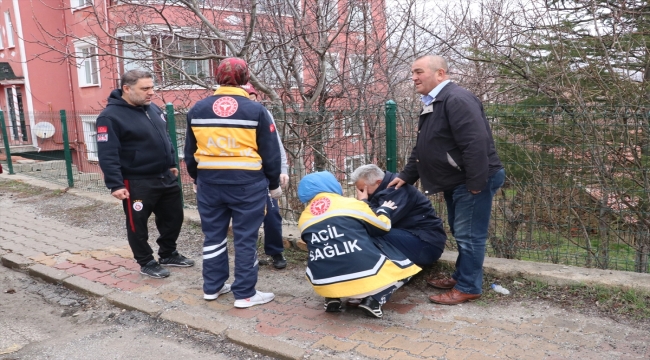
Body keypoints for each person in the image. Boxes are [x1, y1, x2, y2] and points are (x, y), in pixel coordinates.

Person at [388, 55, 505, 305]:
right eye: (412, 73)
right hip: (459, 180)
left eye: (419, 72)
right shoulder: (435, 101)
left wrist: (476, 183)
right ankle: (462, 277)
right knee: (463, 232)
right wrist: (407, 176)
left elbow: (476, 144)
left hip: (471, 181)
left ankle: (468, 287)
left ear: (440, 74)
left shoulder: (457, 99)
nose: (414, 78)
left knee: (469, 236)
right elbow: (425, 145)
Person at [184, 58, 282, 308]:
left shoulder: (197, 109)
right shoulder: (255, 110)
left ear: (217, 78)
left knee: (213, 236)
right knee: (245, 238)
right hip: (246, 184)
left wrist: (196, 177)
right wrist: (273, 183)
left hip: (209, 182)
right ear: (245, 79)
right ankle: (245, 293)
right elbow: (269, 152)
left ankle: (212, 286)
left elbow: (189, 150)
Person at [96, 70, 194, 279]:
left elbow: (164, 136)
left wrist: (170, 162)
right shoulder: (109, 117)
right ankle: (146, 261)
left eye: (152, 87)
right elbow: (107, 153)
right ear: (127, 89)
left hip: (164, 176)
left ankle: (168, 253)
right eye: (145, 88)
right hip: (136, 181)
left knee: (174, 217)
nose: (151, 93)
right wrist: (115, 184)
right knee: (137, 224)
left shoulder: (153, 109)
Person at [297, 171, 422, 318]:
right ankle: (374, 300)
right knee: (406, 268)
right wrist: (384, 210)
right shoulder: (350, 204)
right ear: (331, 185)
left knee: (329, 252)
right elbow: (383, 227)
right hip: (363, 280)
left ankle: (332, 298)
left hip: (323, 282)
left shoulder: (304, 218)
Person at [351, 164, 446, 266]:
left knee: (368, 234)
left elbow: (376, 224)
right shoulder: (385, 188)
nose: (362, 194)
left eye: (363, 190)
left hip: (426, 245)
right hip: (413, 237)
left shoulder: (397, 189)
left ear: (378, 182)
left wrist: (364, 202)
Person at [242, 82, 288, 269]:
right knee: (246, 218)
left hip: (265, 175)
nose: (252, 103)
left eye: (254, 99)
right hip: (243, 176)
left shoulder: (263, 113)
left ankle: (276, 252)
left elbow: (275, 144)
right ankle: (249, 254)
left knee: (272, 214)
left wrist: (282, 170)